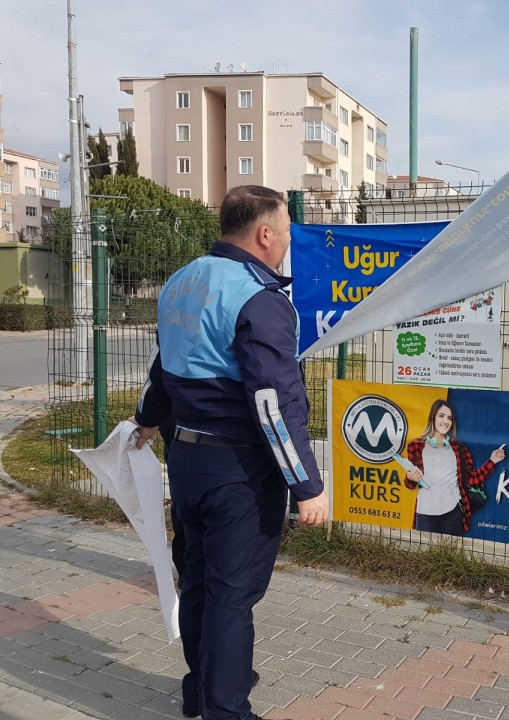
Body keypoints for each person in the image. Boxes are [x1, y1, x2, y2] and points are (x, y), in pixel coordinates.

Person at [131, 185, 328, 720]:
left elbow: (163, 366)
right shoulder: (258, 298)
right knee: (231, 595)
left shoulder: (182, 280)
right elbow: (273, 402)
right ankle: (227, 708)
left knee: (198, 577)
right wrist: (306, 485)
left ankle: (203, 688)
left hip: (188, 461)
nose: (288, 240)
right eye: (287, 230)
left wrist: (147, 419)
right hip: (239, 471)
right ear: (265, 234)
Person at [402, 399, 505, 536]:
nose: (446, 421)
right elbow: (410, 484)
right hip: (425, 513)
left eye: (449, 418)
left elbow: (472, 480)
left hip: (452, 513)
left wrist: (492, 461)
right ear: (433, 416)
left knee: (451, 555)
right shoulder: (416, 446)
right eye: (441, 416)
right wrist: (410, 477)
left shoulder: (459, 448)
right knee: (426, 555)